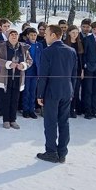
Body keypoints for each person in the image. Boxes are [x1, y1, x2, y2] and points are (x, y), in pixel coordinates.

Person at [36, 25, 78, 164]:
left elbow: (43, 75)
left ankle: (51, 152)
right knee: (64, 122)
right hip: (67, 91)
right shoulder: (71, 51)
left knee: (50, 122)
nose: (44, 36)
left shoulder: (48, 51)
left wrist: (40, 94)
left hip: (51, 92)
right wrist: (71, 91)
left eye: (47, 33)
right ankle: (62, 153)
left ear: (54, 35)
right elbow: (74, 75)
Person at [0, 30, 31, 129]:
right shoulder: (2, 46)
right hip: (5, 78)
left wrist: (23, 65)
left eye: (16, 34)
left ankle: (13, 120)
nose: (14, 36)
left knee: (15, 100)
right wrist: (9, 64)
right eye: (12, 35)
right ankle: (6, 120)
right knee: (6, 99)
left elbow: (29, 60)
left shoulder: (23, 48)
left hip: (18, 78)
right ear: (8, 36)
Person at [62, 25, 84, 117]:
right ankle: (65, 110)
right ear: (69, 33)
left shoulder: (80, 43)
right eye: (73, 32)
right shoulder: (64, 43)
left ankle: (72, 109)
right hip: (67, 70)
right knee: (66, 91)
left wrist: (82, 70)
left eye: (76, 33)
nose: (75, 34)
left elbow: (82, 58)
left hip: (77, 70)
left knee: (75, 91)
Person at [21, 28, 43, 119]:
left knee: (33, 91)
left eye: (35, 35)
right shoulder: (24, 45)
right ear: (28, 36)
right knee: (26, 90)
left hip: (36, 70)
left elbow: (41, 57)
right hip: (27, 69)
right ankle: (25, 109)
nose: (33, 37)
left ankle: (31, 109)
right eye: (31, 35)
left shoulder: (40, 45)